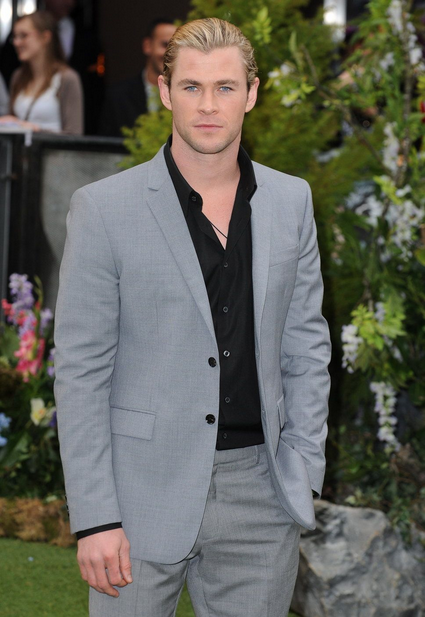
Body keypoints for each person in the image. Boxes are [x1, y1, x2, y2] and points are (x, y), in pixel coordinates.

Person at [54, 17, 331, 617]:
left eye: (225, 87)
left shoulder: (291, 202)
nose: (208, 105)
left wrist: (303, 469)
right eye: (192, 87)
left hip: (261, 494)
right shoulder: (103, 210)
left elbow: (306, 348)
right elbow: (80, 373)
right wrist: (95, 517)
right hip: (137, 493)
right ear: (165, 91)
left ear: (251, 94)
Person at [0, 11, 83, 134]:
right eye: (15, 37)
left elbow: (74, 134)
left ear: (45, 37)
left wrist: (32, 130)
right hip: (21, 147)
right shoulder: (18, 76)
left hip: (51, 147)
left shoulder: (67, 78)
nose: (17, 42)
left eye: (23, 36)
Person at [99, 17, 176, 137]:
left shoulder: (188, 96)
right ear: (147, 46)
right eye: (165, 45)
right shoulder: (118, 97)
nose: (170, 54)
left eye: (176, 48)